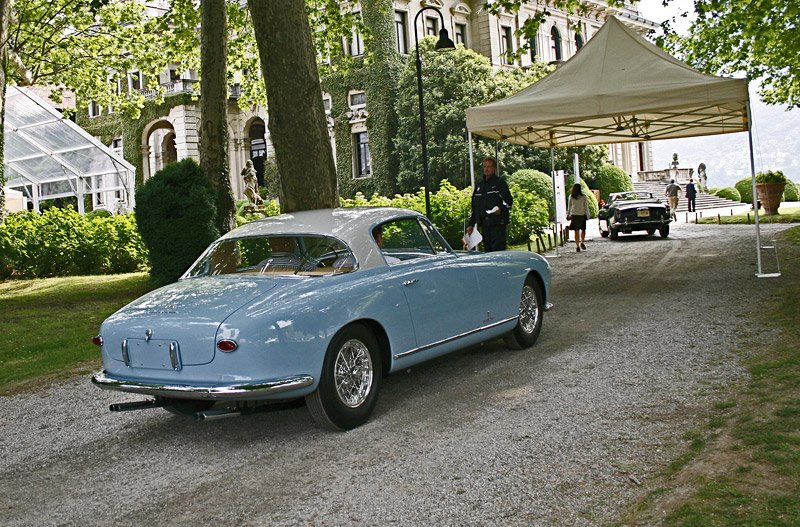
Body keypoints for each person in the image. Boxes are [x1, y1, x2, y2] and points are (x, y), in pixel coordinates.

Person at [466, 157, 513, 252]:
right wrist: (471, 224)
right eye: (484, 167)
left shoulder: (500, 183)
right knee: (488, 252)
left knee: (498, 252)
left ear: (494, 168)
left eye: (489, 166)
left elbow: (508, 201)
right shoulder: (479, 186)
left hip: (497, 224)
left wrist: (500, 208)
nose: (486, 169)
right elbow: (475, 207)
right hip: (484, 225)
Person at [567, 183, 590, 252]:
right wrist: (588, 215)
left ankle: (577, 246)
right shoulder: (583, 197)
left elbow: (569, 207)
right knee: (583, 230)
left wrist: (568, 215)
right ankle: (582, 242)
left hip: (574, 215)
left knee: (576, 231)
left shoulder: (571, 197)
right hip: (582, 215)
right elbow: (586, 207)